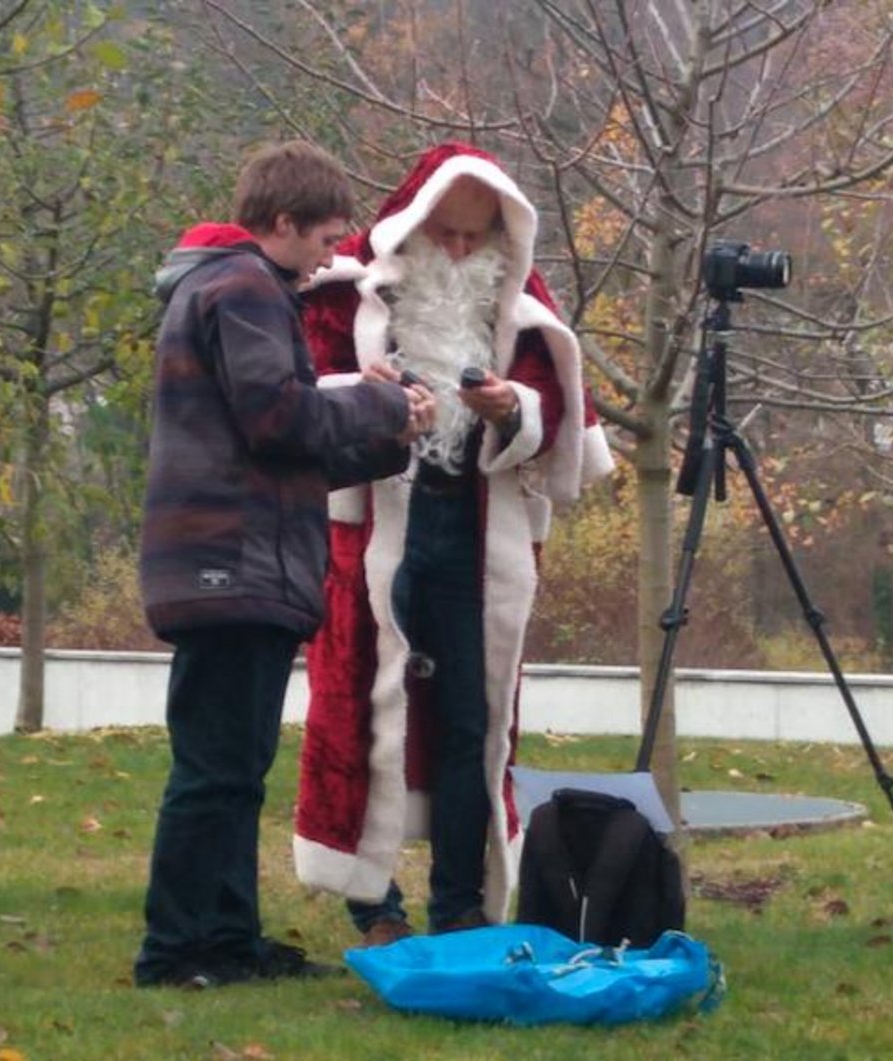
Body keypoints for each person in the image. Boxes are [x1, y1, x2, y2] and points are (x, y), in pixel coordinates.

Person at [292, 142, 614, 946]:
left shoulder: (519, 304)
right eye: (451, 235)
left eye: (479, 237)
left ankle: (460, 901)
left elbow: (562, 425)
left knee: (473, 717)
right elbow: (299, 402)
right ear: (417, 224)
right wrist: (375, 404)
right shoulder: (348, 294)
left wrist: (512, 409)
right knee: (365, 705)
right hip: (373, 529)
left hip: (473, 526)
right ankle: (373, 901)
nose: (465, 252)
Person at [133, 141, 436, 989]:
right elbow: (278, 419)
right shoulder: (244, 289)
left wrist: (385, 434)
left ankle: (227, 942)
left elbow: (277, 451)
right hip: (231, 567)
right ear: (282, 224)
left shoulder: (230, 287)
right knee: (215, 772)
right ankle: (176, 951)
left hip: (227, 563)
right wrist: (380, 400)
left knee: (233, 771)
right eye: (328, 239)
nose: (336, 256)